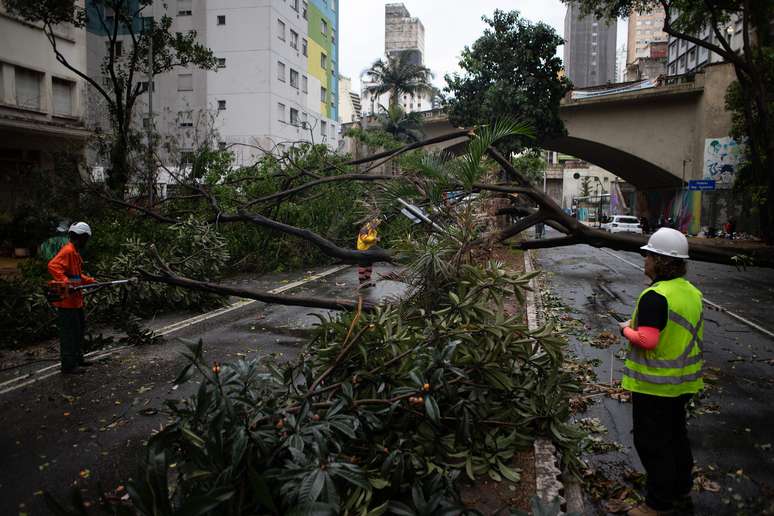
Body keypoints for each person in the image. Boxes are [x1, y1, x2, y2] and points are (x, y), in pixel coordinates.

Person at [618, 228, 704, 516]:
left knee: (652, 444)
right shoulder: (691, 293)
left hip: (655, 386)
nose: (645, 261)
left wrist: (625, 329)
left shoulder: (656, 296)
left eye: (649, 256)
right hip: (683, 383)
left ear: (661, 261)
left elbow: (648, 340)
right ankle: (680, 487)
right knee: (676, 436)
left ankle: (656, 504)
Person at [48, 222, 97, 374]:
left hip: (76, 301)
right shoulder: (68, 251)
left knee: (78, 330)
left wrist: (90, 281)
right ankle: (68, 365)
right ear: (80, 237)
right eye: (86, 239)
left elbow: (76, 275)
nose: (86, 242)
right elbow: (53, 266)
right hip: (67, 302)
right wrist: (65, 283)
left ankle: (78, 359)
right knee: (69, 334)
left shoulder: (74, 253)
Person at [356, 218, 380, 288]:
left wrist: (376, 240)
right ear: (371, 223)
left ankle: (368, 281)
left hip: (370, 250)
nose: (376, 226)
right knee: (362, 266)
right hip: (362, 250)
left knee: (369, 266)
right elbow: (364, 239)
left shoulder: (374, 231)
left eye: (377, 225)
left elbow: (372, 240)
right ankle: (362, 282)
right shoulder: (364, 229)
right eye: (375, 224)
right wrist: (374, 239)